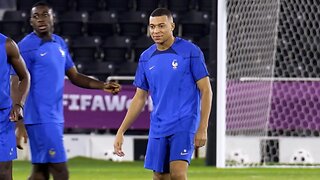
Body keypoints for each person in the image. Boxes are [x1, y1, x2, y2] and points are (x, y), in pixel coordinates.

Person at [11, 1, 121, 180]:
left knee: (40, 173)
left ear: (53, 18)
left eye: (45, 14)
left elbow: (75, 76)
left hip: (54, 117)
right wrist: (19, 123)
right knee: (61, 171)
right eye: (35, 16)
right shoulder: (26, 46)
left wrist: (102, 85)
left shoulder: (60, 43)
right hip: (39, 118)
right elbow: (16, 80)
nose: (40, 19)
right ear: (30, 21)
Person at [114, 8, 212, 180]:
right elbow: (139, 97)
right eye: (152, 27)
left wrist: (202, 128)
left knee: (178, 174)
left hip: (184, 122)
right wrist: (121, 130)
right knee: (159, 176)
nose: (156, 31)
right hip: (158, 125)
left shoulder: (190, 52)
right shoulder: (146, 57)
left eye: (161, 26)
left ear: (172, 26)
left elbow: (206, 90)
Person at [0, 33, 30, 179]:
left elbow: (25, 77)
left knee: (4, 173)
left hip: (2, 119)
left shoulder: (7, 45)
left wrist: (19, 105)